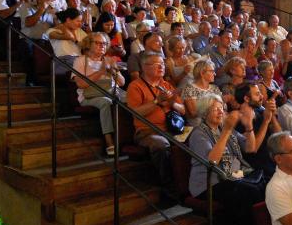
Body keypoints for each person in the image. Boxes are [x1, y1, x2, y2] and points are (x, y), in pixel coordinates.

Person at [187, 94, 271, 225]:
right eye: (215, 109)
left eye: (221, 108)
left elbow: (251, 148)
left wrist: (248, 127)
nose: (220, 112)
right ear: (204, 112)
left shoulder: (228, 130)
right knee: (247, 191)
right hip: (208, 183)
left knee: (265, 184)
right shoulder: (198, 133)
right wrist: (226, 130)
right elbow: (212, 162)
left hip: (232, 176)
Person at [126, 52, 185, 200]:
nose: (162, 67)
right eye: (157, 65)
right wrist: (156, 101)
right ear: (145, 67)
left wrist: (172, 102)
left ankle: (188, 187)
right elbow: (135, 112)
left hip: (171, 129)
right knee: (161, 144)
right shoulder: (135, 86)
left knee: (196, 137)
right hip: (147, 132)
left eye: (163, 64)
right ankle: (168, 187)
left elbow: (183, 110)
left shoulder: (166, 85)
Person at [72, 33, 125, 156]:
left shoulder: (109, 60)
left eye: (105, 44)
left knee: (132, 99)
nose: (102, 46)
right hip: (90, 96)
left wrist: (112, 71)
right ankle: (109, 141)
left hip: (113, 92)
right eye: (98, 43)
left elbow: (122, 83)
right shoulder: (80, 60)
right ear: (88, 44)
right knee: (105, 102)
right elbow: (80, 84)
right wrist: (101, 72)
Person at [181, 59, 222, 126]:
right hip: (198, 125)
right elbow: (194, 113)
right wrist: (214, 108)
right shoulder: (190, 88)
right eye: (211, 71)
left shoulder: (215, 88)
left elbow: (223, 107)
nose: (214, 74)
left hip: (215, 121)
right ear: (202, 73)